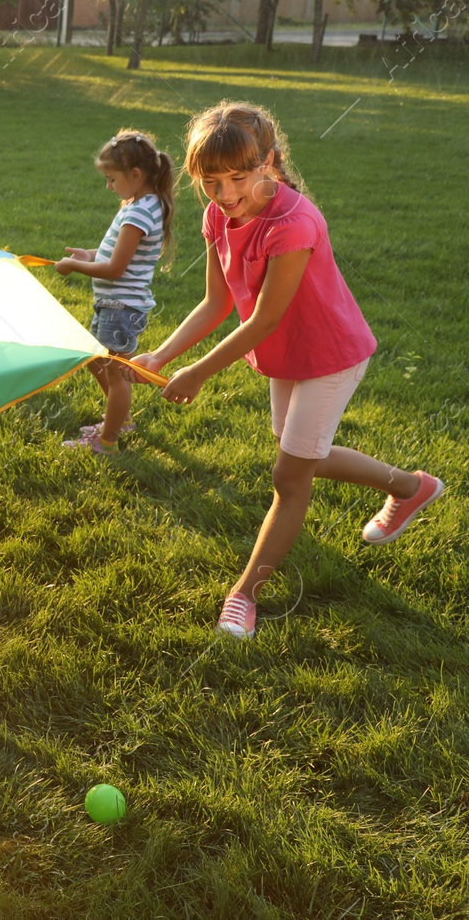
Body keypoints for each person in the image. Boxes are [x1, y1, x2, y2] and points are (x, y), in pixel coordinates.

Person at [130, 101, 446, 638]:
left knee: (289, 474)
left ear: (269, 163)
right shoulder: (218, 216)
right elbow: (215, 304)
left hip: (330, 355)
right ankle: (411, 486)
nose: (226, 194)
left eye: (238, 178)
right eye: (211, 182)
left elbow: (263, 319)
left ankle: (244, 596)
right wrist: (162, 355)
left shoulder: (294, 222)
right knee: (304, 458)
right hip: (286, 355)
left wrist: (199, 373)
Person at [57, 130, 175, 455]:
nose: (108, 186)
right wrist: (89, 255)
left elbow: (115, 269)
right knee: (96, 358)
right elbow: (115, 254)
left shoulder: (139, 211)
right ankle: (118, 419)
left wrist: (73, 267)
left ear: (135, 175)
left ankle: (108, 441)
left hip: (121, 308)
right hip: (113, 305)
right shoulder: (140, 203)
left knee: (116, 372)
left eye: (111, 179)